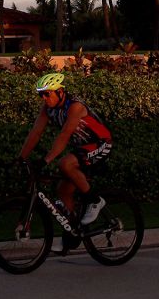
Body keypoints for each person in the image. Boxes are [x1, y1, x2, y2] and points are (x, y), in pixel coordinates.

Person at [17, 71, 112, 241]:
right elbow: (35, 133)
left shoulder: (75, 107)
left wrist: (46, 160)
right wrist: (20, 158)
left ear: (60, 92)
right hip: (81, 148)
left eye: (47, 93)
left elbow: (64, 136)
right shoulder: (47, 108)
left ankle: (95, 201)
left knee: (65, 164)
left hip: (100, 143)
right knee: (62, 191)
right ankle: (72, 236)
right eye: (41, 95)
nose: (44, 98)